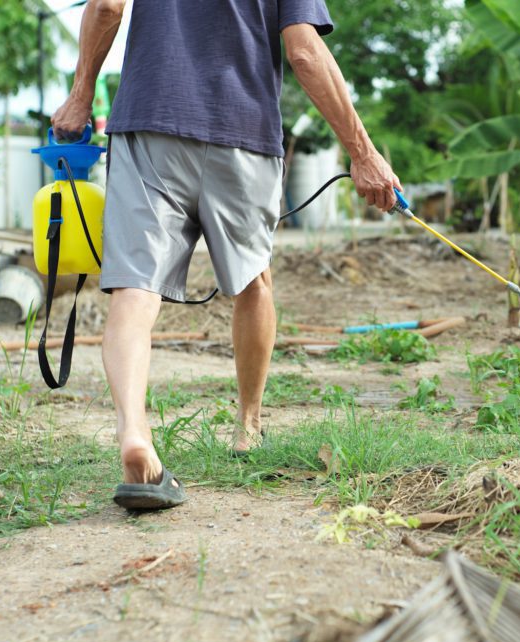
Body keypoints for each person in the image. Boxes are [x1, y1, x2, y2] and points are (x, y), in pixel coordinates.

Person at [51, 0, 400, 510]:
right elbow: (303, 51)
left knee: (135, 288)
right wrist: (363, 151)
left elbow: (105, 6)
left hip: (151, 119)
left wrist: (81, 94)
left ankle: (135, 433)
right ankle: (248, 426)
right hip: (245, 131)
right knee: (253, 282)